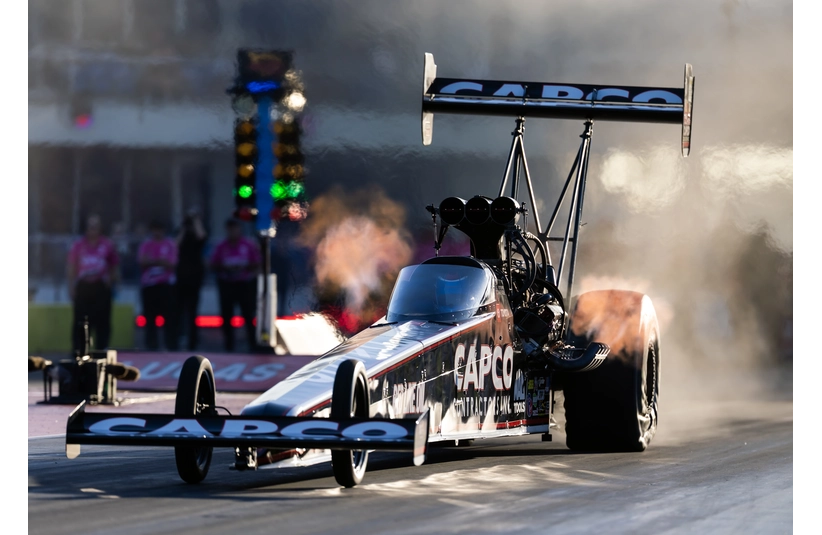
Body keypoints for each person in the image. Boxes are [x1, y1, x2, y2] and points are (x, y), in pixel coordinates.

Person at [67, 214, 120, 354]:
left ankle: (101, 351)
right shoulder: (78, 245)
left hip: (101, 287)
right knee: (81, 321)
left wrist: (111, 280)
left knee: (102, 322)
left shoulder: (107, 245)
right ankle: (79, 352)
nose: (93, 230)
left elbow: (114, 265)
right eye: (90, 227)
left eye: (96, 227)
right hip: (83, 287)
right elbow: (72, 266)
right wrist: (71, 286)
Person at [210, 218, 261, 352]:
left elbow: (257, 263)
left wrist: (243, 267)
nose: (233, 232)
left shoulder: (248, 245)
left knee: (248, 314)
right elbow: (212, 264)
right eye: (230, 229)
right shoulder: (221, 246)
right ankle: (229, 346)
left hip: (244, 284)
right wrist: (226, 268)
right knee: (227, 315)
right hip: (227, 284)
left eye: (235, 228)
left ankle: (253, 345)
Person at [138, 220, 179, 351]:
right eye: (155, 229)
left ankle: (171, 346)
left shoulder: (170, 244)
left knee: (170, 316)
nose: (157, 232)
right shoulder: (146, 245)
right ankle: (151, 346)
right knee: (150, 318)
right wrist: (160, 261)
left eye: (159, 229)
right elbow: (142, 261)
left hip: (166, 285)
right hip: (149, 285)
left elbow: (172, 264)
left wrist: (153, 261)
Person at [174, 208, 208, 351]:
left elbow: (202, 237)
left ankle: (193, 341)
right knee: (178, 310)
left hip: (194, 277)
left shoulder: (197, 234)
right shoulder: (181, 233)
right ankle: (177, 339)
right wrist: (183, 226)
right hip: (180, 277)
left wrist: (196, 221)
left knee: (192, 311)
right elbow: (175, 244)